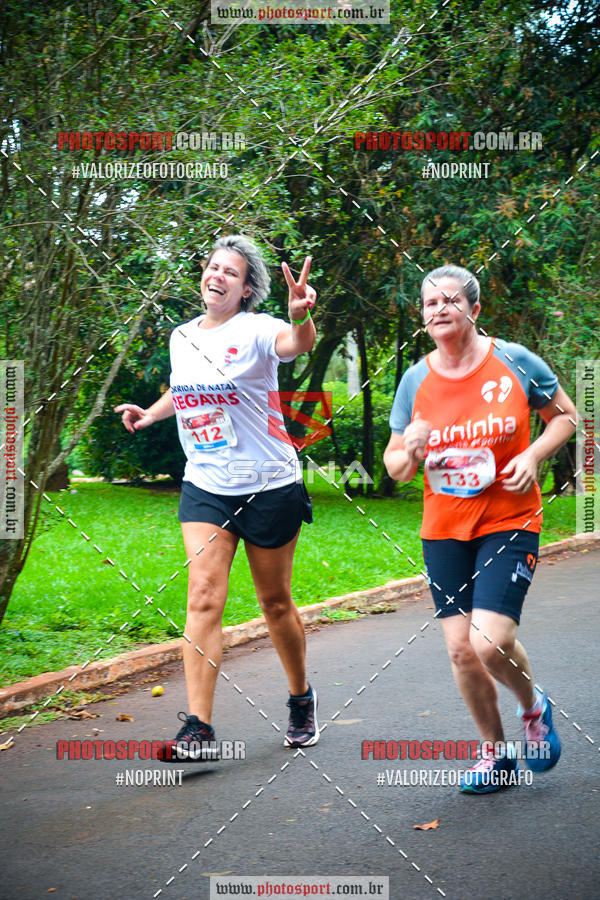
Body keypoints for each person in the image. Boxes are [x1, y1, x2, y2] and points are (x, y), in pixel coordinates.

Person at [115, 234, 320, 760]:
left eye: (231, 271)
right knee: (203, 595)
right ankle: (198, 731)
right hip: (207, 485)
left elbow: (298, 345)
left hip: (269, 482)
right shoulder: (182, 336)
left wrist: (300, 315)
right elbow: (182, 388)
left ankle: (300, 698)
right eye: (212, 266)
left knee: (274, 602)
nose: (218, 275)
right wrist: (151, 413)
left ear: (246, 288)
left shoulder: (259, 330)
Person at [383, 264, 577, 794]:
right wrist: (411, 451)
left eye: (450, 300)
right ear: (423, 318)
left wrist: (535, 455)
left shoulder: (514, 361)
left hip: (509, 520)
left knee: (489, 643)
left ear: (475, 308)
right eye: (429, 304)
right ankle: (495, 755)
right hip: (443, 529)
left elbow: (566, 417)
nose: (440, 309)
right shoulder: (415, 380)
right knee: (461, 650)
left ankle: (533, 709)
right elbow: (395, 467)